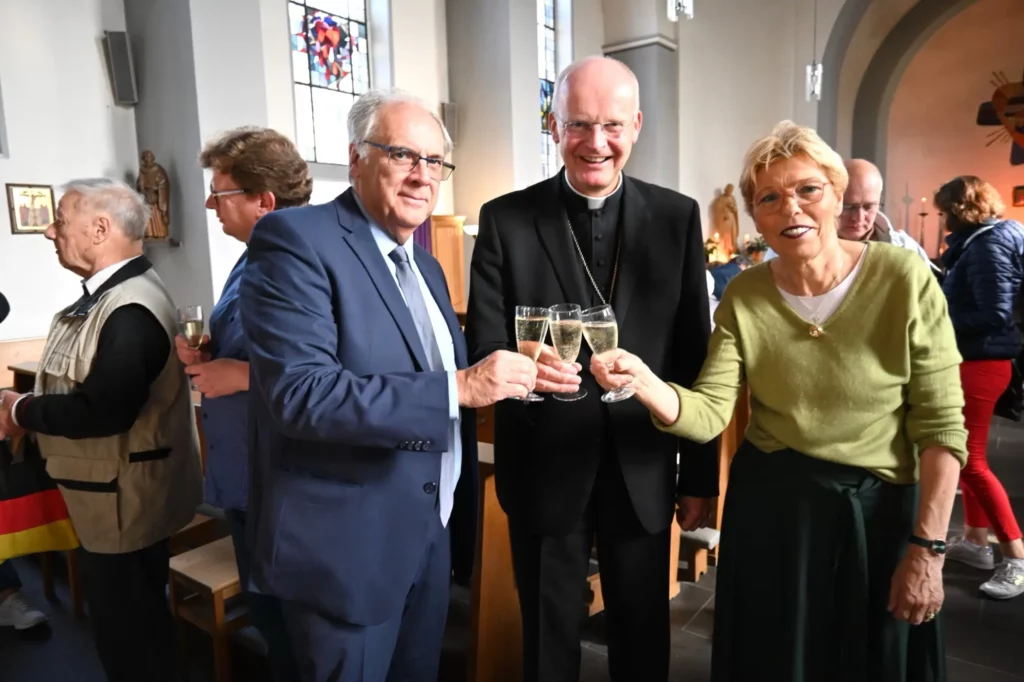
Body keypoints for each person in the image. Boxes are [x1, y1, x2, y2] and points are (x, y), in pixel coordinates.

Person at [591, 121, 968, 681]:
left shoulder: (902, 277)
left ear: (837, 196)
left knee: (873, 659)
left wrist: (929, 549)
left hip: (879, 512)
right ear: (755, 217)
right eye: (770, 197)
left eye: (808, 190)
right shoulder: (746, 294)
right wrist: (646, 382)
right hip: (775, 515)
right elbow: (709, 412)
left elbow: (942, 426)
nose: (791, 208)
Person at [239, 88, 538, 682]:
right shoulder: (295, 241)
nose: (422, 176)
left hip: (426, 531)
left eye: (435, 162)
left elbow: (425, 369)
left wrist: (509, 364)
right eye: (403, 155)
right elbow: (303, 396)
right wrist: (459, 387)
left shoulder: (423, 262)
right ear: (356, 158)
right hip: (347, 547)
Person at [465, 56, 718, 682]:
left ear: (636, 126)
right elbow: (486, 341)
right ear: (554, 125)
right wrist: (525, 363)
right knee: (548, 637)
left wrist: (700, 478)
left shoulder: (678, 216)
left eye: (611, 125)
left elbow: (695, 354)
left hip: (643, 464)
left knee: (642, 631)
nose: (596, 143)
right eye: (579, 124)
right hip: (544, 461)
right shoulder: (506, 218)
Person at [0, 179, 202, 682]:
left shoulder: (130, 307)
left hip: (125, 505)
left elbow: (103, 412)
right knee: (125, 632)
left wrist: (20, 409)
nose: (50, 231)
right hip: (107, 498)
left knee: (130, 640)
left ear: (99, 228)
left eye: (61, 220)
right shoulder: (107, 298)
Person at [176, 127, 312, 679]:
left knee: (294, 622)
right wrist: (212, 349)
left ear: (265, 200)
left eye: (221, 192)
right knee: (268, 611)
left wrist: (243, 375)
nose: (209, 203)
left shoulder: (305, 258)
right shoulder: (254, 253)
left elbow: (342, 369)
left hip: (281, 472)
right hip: (245, 468)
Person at [935, 175, 1024, 599]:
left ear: (959, 210)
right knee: (968, 455)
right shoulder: (980, 241)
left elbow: (995, 313)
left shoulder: (988, 245)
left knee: (967, 460)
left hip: (983, 362)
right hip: (976, 358)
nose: (943, 222)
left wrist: (937, 323)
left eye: (944, 213)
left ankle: (1016, 556)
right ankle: (975, 541)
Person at [765, 158, 935, 269]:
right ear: (832, 200)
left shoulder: (905, 249)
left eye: (868, 207)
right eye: (849, 207)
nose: (858, 218)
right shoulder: (794, 244)